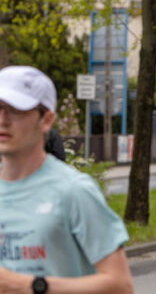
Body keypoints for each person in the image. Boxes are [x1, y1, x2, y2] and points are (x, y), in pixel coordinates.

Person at [0, 66, 132, 294]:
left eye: (16, 110)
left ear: (46, 120)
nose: (3, 120)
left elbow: (120, 285)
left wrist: (28, 285)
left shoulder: (74, 190)